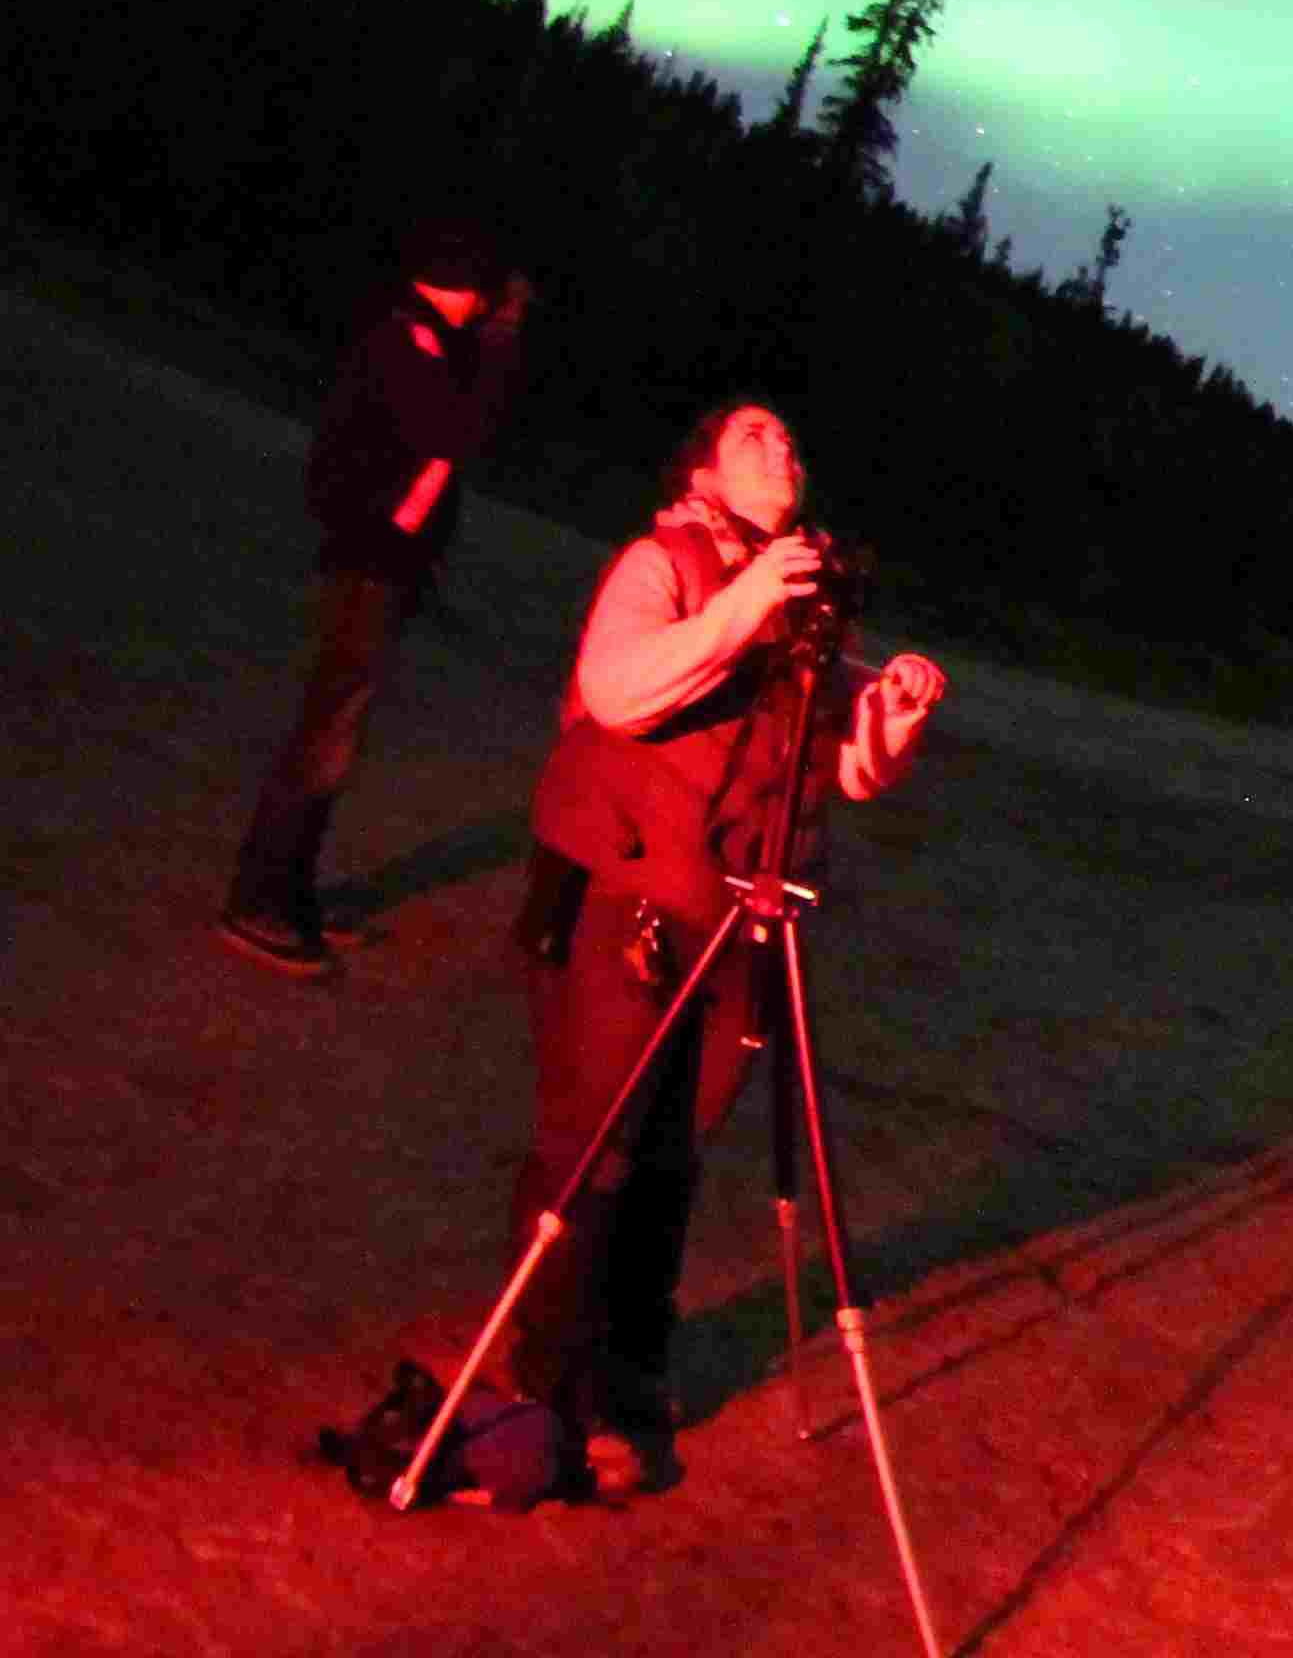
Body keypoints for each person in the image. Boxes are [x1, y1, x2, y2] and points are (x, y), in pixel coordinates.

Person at [471, 400, 942, 1510]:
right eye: (759, 436)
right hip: (629, 895)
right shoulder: (664, 562)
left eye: (793, 438)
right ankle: (555, 1386)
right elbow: (616, 691)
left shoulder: (792, 596)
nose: (788, 449)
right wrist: (745, 603)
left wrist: (891, 715)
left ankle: (631, 1365)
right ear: (703, 465)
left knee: (676, 1155)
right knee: (595, 1146)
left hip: (740, 915)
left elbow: (844, 773)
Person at [218, 214, 533, 975]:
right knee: (325, 738)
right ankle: (259, 902)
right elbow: (456, 430)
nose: (490, 302)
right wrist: (499, 348)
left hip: (376, 566)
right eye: (484, 289)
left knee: (334, 735)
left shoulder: (422, 339)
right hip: (364, 566)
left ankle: (289, 893)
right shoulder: (411, 342)